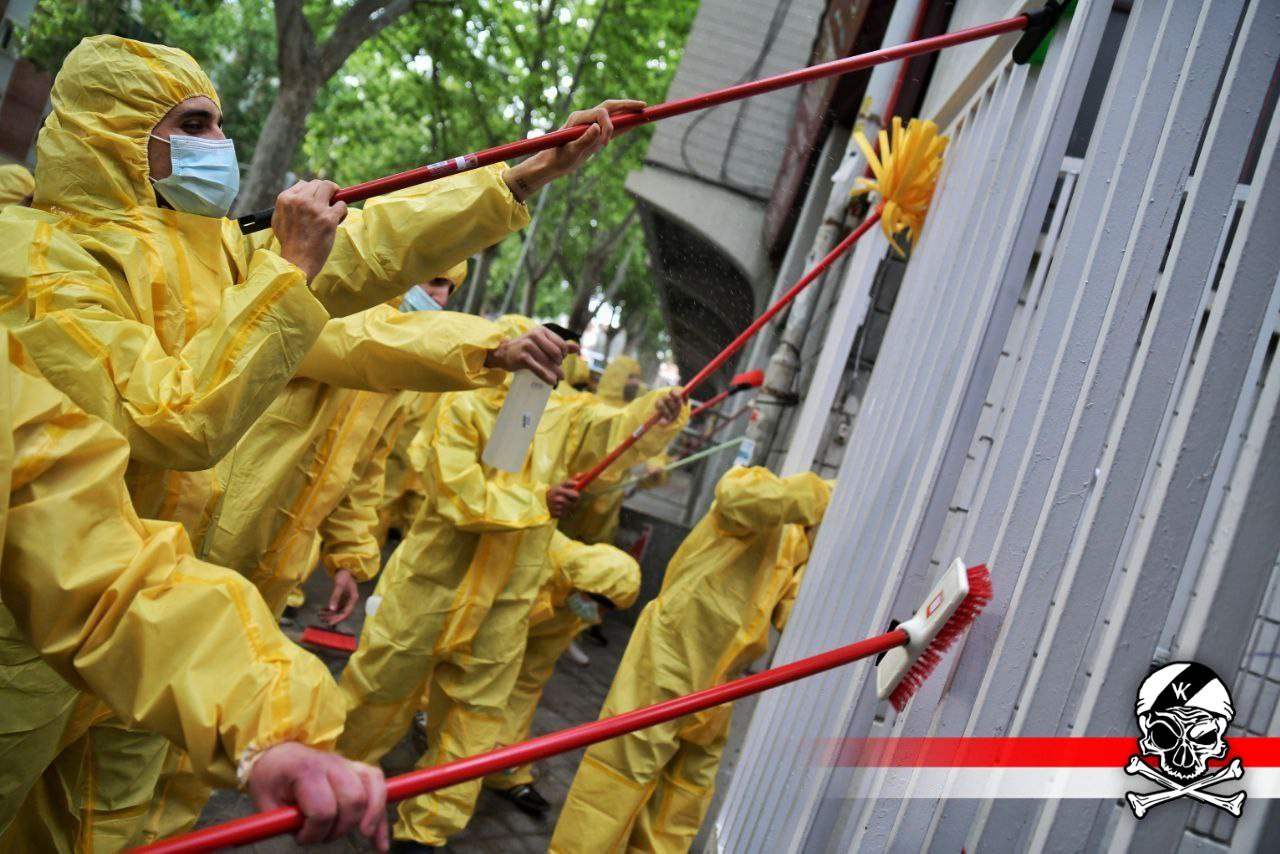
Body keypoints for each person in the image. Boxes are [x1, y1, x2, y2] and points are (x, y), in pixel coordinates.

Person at [0, 33, 632, 848]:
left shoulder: (215, 250)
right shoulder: (42, 266)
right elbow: (174, 419)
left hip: (166, 625)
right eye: (194, 125)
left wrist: (515, 179)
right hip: (39, 636)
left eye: (219, 125)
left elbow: (365, 252)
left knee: (106, 833)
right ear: (118, 134)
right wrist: (289, 272)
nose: (217, 146)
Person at [0, 330, 388, 850]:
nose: (433, 293)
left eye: (445, 286)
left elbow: (102, 564)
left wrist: (268, 722)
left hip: (218, 598)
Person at [337, 315, 687, 851]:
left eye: (553, 358)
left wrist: (655, 415)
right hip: (431, 586)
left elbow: (611, 431)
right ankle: (335, 784)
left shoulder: (564, 414)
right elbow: (455, 491)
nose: (544, 367)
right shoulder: (462, 404)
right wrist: (537, 503)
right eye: (536, 353)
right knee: (378, 692)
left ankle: (425, 831)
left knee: (474, 725)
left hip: (506, 600)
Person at [550, 466, 833, 853]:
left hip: (720, 684)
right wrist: (822, 497)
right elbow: (734, 496)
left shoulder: (802, 550)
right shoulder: (760, 496)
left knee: (683, 795)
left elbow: (791, 615)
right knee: (620, 775)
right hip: (671, 658)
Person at [483, 530, 641, 814]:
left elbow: (527, 683)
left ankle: (504, 773)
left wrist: (506, 749)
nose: (599, 617)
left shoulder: (570, 608)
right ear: (587, 587)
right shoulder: (535, 557)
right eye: (601, 608)